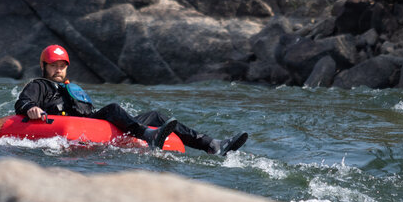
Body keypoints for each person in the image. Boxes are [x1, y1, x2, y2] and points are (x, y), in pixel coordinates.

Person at [15, 44, 248, 155]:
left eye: (62, 65)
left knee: (155, 115)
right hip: (73, 126)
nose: (58, 69)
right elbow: (22, 103)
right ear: (44, 66)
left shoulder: (71, 88)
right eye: (53, 65)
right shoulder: (39, 85)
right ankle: (148, 135)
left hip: (92, 123)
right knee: (113, 108)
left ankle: (212, 144)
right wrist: (31, 109)